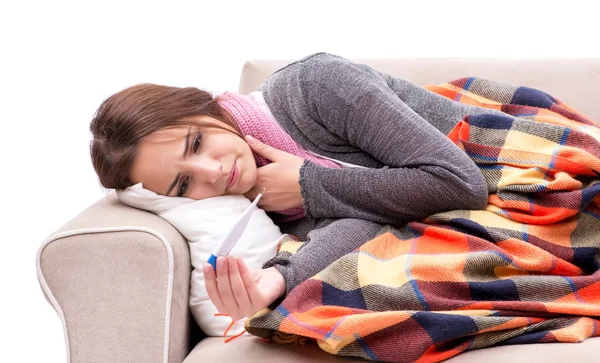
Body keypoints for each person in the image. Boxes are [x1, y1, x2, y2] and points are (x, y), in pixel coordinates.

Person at [90, 52, 500, 322]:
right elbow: (363, 223)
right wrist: (276, 281)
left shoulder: (315, 87)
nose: (211, 172)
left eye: (196, 142)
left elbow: (462, 184)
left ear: (203, 104)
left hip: (502, 161)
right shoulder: (253, 198)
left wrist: (309, 183)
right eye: (183, 184)